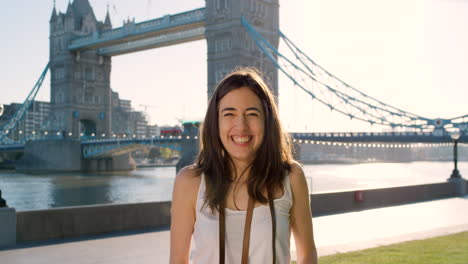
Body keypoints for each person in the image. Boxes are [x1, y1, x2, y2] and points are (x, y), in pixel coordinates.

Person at [170, 68, 318, 264]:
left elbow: (307, 256)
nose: (241, 126)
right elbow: (178, 260)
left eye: (252, 114)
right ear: (216, 122)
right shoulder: (189, 182)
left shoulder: (291, 177)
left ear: (267, 121)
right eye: (229, 114)